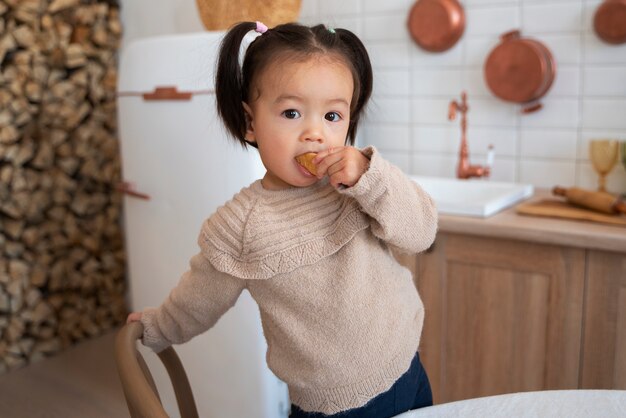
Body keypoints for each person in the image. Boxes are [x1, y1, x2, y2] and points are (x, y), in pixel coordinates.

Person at [126, 21, 438, 418]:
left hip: (408, 365)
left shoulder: (361, 184)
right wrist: (157, 326)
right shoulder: (240, 226)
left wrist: (369, 176)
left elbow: (422, 232)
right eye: (291, 112)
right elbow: (197, 299)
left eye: (332, 116)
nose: (315, 134)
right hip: (334, 406)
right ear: (250, 122)